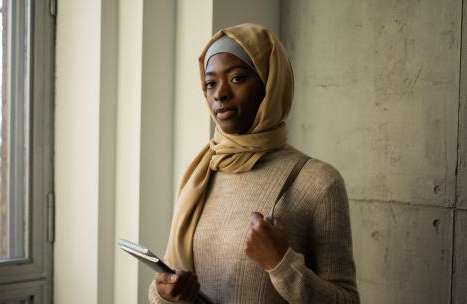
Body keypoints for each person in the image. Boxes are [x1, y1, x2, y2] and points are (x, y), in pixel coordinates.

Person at [149, 23, 359, 304]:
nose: (219, 93)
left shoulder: (318, 181)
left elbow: (347, 300)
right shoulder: (202, 173)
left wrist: (280, 264)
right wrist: (165, 293)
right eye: (210, 83)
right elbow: (171, 275)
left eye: (236, 78)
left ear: (269, 84)